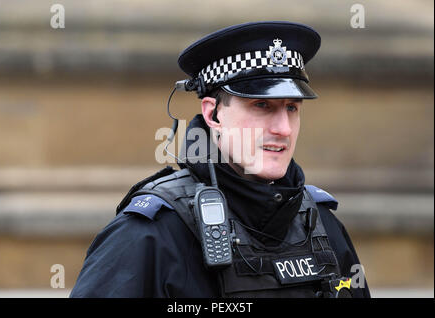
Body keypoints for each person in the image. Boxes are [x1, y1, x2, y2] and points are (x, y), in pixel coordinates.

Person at [70, 21, 370, 298]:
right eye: (262, 105)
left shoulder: (322, 224)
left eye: (292, 107)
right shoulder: (151, 234)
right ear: (213, 113)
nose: (283, 128)